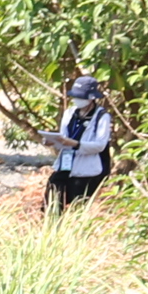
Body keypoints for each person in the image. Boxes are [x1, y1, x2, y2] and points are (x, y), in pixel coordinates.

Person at [44, 73, 117, 213]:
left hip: (89, 169)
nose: (77, 100)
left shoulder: (102, 116)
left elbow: (100, 145)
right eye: (75, 97)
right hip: (66, 164)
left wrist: (75, 144)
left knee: (77, 205)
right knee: (53, 195)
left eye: (81, 97)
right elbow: (63, 137)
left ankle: (74, 230)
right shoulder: (70, 113)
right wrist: (53, 141)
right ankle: (51, 227)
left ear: (91, 98)